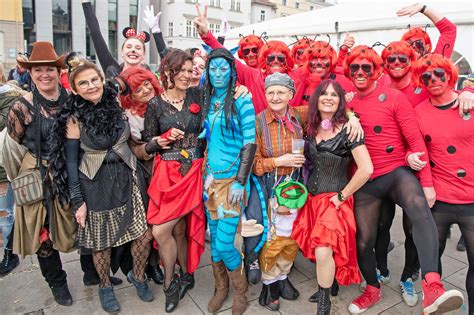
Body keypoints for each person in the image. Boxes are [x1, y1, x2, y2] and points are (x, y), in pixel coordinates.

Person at [344, 45, 463, 314]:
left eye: (366, 67)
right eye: (355, 68)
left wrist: (428, 184)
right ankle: (372, 288)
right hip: (367, 178)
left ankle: (431, 285)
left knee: (420, 213)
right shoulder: (345, 101)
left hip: (397, 170)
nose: (361, 72)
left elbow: (415, 140)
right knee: (364, 239)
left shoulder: (395, 97)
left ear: (376, 70)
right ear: (349, 72)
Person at [48, 55, 155, 313]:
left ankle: (138, 276)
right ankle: (105, 285)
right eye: (83, 83)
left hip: (128, 177)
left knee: (144, 234)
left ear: (102, 81)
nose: (91, 86)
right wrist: (78, 201)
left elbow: (132, 78)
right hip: (95, 184)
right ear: (73, 89)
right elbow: (71, 163)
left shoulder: (113, 101)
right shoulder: (73, 118)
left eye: (94, 80)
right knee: (101, 242)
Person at [5, 41, 76, 306]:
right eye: (38, 70)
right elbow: (11, 148)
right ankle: (57, 283)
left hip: (68, 173)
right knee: (42, 235)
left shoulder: (71, 100)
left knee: (75, 226)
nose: (44, 75)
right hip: (36, 177)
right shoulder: (21, 107)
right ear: (30, 74)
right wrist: (23, 176)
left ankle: (95, 273)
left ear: (59, 72)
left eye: (49, 69)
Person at [293, 79, 373, 315]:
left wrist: (342, 196)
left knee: (323, 250)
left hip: (334, 199)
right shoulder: (310, 123)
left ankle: (324, 302)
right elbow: (283, 106)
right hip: (311, 198)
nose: (328, 98)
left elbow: (366, 169)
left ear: (341, 101)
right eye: (324, 94)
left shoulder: (349, 128)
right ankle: (329, 284)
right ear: (316, 98)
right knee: (318, 249)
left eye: (334, 95)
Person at [143, 49, 206, 313]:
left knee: (178, 230)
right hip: (166, 173)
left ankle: (182, 276)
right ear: (167, 71)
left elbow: (229, 88)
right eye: (179, 70)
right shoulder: (155, 104)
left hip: (193, 171)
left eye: (189, 70)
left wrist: (241, 92)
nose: (185, 75)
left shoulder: (199, 95)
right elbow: (148, 141)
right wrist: (161, 139)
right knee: (166, 230)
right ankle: (173, 280)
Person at [411, 53, 474, 315]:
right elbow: (417, 149)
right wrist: (411, 159)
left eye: (439, 74)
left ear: (450, 75)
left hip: (471, 198)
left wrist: (470, 88)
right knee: (431, 260)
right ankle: (433, 302)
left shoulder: (469, 102)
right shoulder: (419, 112)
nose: (433, 80)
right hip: (438, 199)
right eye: (427, 76)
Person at [202, 48, 256, 315]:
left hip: (232, 182)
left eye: (224, 69)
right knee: (214, 240)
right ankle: (220, 288)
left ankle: (240, 291)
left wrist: (240, 182)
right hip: (209, 180)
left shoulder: (242, 99)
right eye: (213, 69)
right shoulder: (207, 97)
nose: (218, 74)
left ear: (232, 71)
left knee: (224, 244)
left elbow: (250, 142)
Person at [252, 72, 307, 311]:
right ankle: (269, 283)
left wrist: (351, 116)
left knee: (292, 240)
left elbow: (332, 108)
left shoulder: (300, 115)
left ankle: (283, 277)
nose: (275, 97)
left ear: (290, 95)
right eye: (271, 92)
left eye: (280, 92)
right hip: (270, 190)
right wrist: (278, 160)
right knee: (272, 242)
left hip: (297, 189)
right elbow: (254, 163)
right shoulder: (257, 122)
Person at [119, 66, 165, 285]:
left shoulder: (164, 103)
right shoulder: (129, 117)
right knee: (148, 223)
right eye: (138, 88)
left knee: (164, 223)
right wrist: (151, 146)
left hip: (171, 171)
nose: (146, 89)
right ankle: (146, 266)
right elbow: (133, 149)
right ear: (130, 95)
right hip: (145, 175)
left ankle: (157, 264)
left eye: (147, 83)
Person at [82, 1, 151, 78]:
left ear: (143, 54)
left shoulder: (149, 78)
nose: (133, 50)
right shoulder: (113, 70)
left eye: (138, 48)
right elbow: (96, 34)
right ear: (122, 52)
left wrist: (156, 32)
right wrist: (86, 4)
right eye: (129, 47)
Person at [0, 82, 25, 276]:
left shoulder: (10, 101)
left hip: (7, 169)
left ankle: (10, 253)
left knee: (7, 213)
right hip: (9, 167)